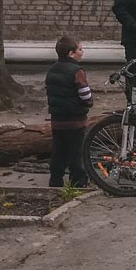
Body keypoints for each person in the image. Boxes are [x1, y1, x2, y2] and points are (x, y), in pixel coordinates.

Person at [45, 35, 92, 188]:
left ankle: (55, 180)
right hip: (75, 120)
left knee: (58, 151)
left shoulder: (52, 69)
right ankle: (78, 181)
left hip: (57, 120)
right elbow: (84, 93)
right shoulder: (77, 71)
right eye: (80, 49)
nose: (82, 52)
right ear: (71, 54)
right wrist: (89, 102)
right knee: (76, 152)